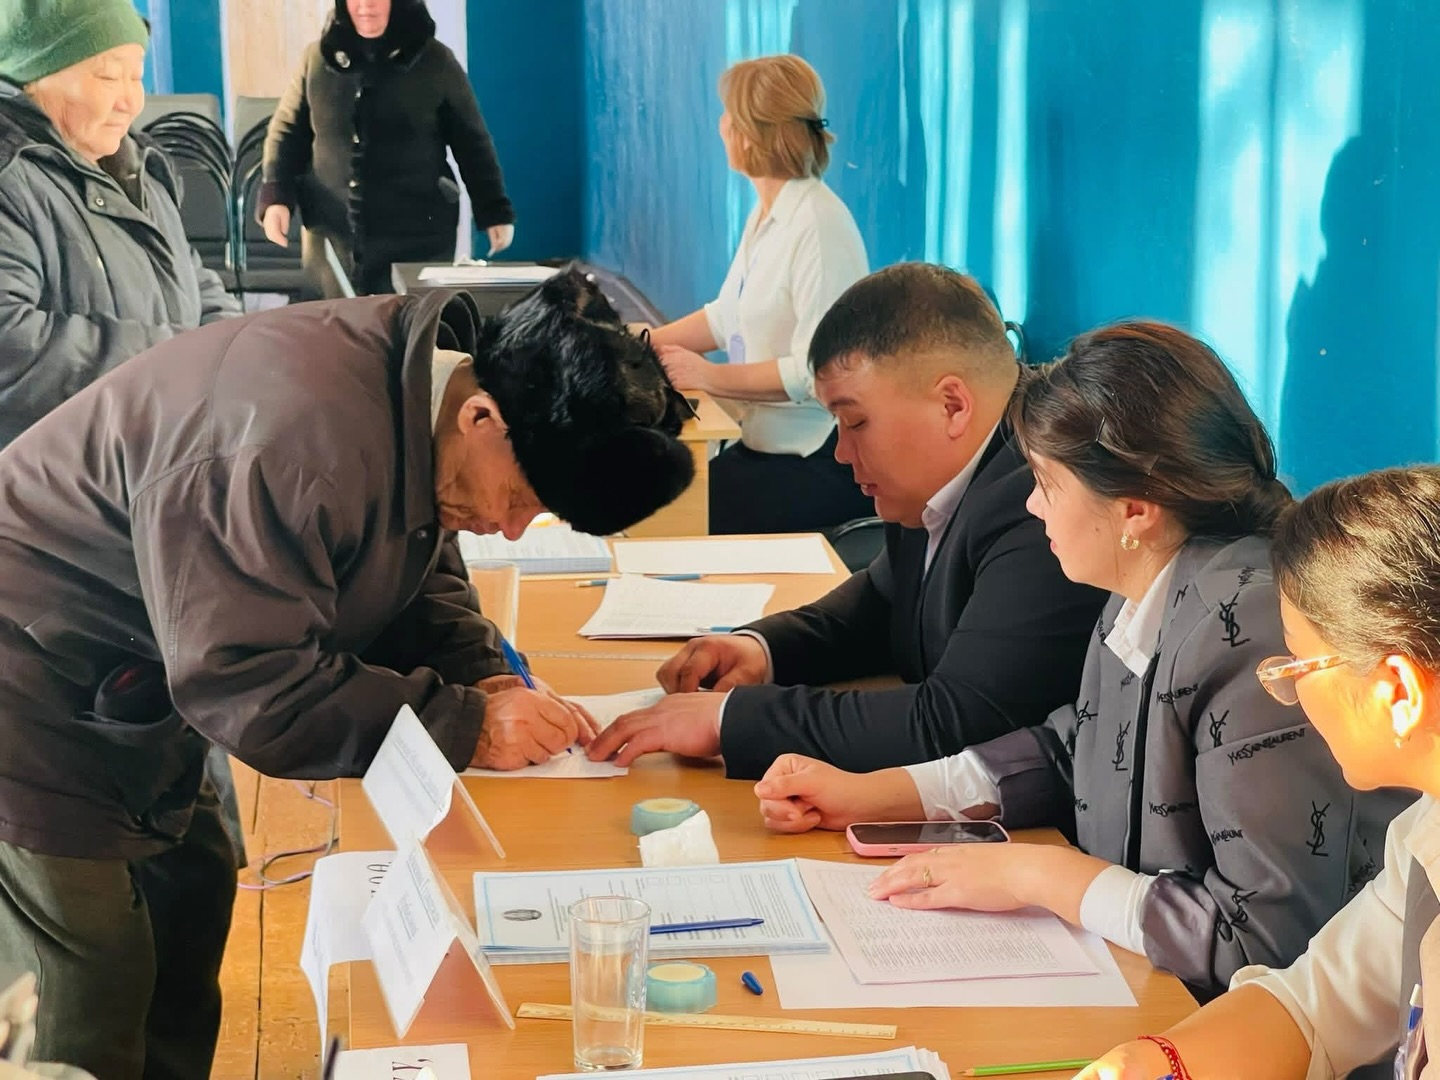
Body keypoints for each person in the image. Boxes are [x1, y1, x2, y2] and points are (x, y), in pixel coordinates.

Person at [0, 268, 694, 1079]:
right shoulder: (289, 447)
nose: (509, 531)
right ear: (481, 417)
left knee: (190, 901)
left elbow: (411, 556)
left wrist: (481, 675)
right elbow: (252, 687)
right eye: (519, 499)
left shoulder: (417, 395)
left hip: (134, 671)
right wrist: (463, 725)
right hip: (32, 681)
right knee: (89, 976)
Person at [751, 321, 1406, 1000]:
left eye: (1046, 482)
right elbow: (1076, 748)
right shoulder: (1144, 587)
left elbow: (1260, 940)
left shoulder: (1253, 634)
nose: (1032, 506)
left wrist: (1041, 877)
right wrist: (882, 792)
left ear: (1134, 510)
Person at [589, 263, 1107, 779]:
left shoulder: (1043, 499)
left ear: (952, 405)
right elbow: (883, 603)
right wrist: (762, 650)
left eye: (856, 421)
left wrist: (730, 721)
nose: (840, 451)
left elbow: (955, 723)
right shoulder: (937, 474)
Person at [1077, 466, 1440, 1080]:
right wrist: (1159, 1060)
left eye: (1299, 664)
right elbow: (1314, 1005)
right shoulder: (1425, 828)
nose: (1286, 692)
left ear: (1397, 692)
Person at [648, 54, 874, 534]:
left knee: (669, 516)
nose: (721, 125)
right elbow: (726, 316)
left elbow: (817, 372)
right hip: (761, 447)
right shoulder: (768, 214)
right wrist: (641, 342)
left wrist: (710, 376)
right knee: (660, 499)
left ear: (750, 133)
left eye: (728, 114)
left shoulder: (818, 226)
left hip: (813, 461)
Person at [0, 0, 242, 447]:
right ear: (34, 79)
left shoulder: (137, 166)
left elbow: (191, 278)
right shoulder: (10, 180)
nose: (131, 102)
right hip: (58, 474)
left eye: (137, 76)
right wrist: (177, 360)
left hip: (151, 454)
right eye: (109, 77)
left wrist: (238, 349)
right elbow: (9, 345)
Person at [259, 0, 515, 298]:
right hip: (331, 234)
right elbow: (287, 133)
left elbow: (471, 141)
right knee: (333, 322)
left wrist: (493, 210)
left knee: (404, 321)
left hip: (417, 235)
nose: (366, 5)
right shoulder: (316, 59)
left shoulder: (436, 61)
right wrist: (276, 196)